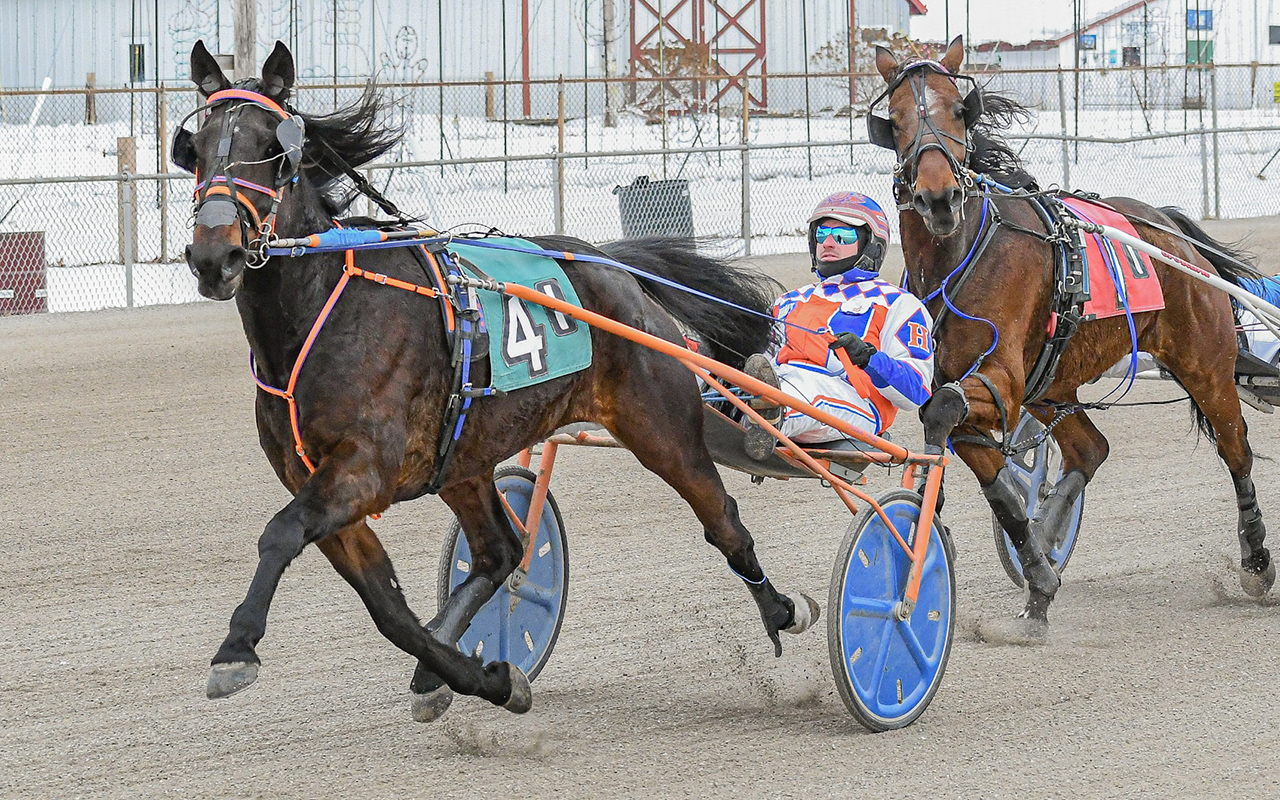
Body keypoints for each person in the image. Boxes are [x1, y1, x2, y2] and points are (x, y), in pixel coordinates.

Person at [743, 191, 935, 460]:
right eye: (822, 234)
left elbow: (916, 391)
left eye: (843, 236)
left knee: (805, 389)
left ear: (871, 245)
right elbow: (760, 362)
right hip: (783, 383)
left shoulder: (899, 304)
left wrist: (869, 359)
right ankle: (738, 408)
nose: (828, 243)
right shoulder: (789, 301)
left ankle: (768, 416)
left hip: (856, 402)